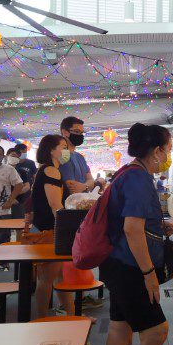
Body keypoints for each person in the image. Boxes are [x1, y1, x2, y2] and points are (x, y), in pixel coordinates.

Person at [99, 123, 173, 345]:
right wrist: (149, 273)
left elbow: (134, 223)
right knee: (156, 331)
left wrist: (159, 226)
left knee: (121, 327)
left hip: (116, 263)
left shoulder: (127, 172)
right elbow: (132, 229)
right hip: (131, 266)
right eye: (167, 148)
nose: (168, 155)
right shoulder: (138, 178)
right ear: (157, 149)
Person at [59, 116, 101, 310]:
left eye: (82, 132)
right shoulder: (62, 156)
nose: (81, 136)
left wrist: (84, 185)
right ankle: (68, 304)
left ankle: (79, 296)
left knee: (80, 252)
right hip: (64, 213)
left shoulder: (80, 157)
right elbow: (70, 186)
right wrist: (86, 185)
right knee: (67, 258)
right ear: (65, 132)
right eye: (77, 132)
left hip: (80, 211)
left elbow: (89, 182)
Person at [31, 135, 75, 319]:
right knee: (47, 278)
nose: (67, 150)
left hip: (45, 229)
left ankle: (70, 315)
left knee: (58, 276)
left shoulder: (47, 170)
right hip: (49, 231)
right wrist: (67, 228)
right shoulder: (51, 171)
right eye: (63, 146)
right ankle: (42, 319)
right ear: (51, 150)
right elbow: (55, 204)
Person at [5, 148, 31, 219]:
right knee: (2, 226)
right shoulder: (0, 170)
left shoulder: (21, 172)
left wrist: (13, 195)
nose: (15, 158)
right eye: (13, 155)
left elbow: (27, 186)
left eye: (17, 157)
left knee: (18, 225)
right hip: (2, 202)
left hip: (18, 202)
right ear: (7, 156)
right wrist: (9, 197)